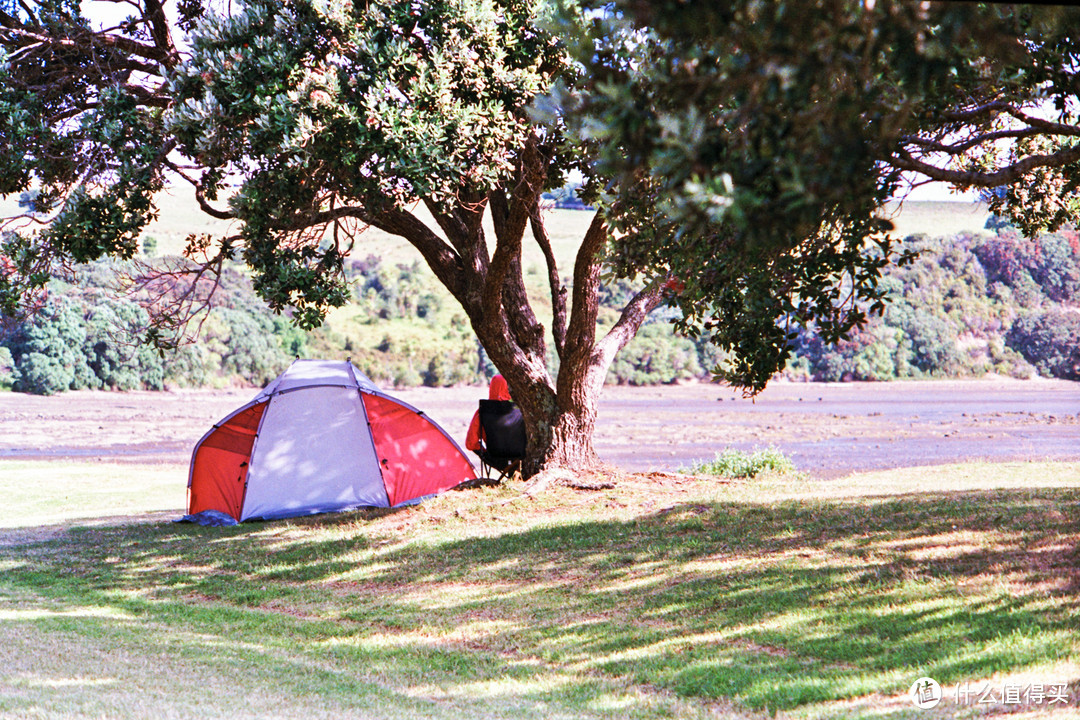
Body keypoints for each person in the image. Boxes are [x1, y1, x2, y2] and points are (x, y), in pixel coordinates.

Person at [466, 374, 511, 452]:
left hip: (494, 456)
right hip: (521, 456)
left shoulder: (483, 411)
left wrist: (485, 453)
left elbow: (471, 443)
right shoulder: (520, 410)